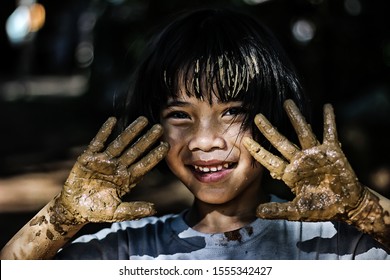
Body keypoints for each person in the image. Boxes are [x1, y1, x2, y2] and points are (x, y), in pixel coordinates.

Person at [1, 8, 389, 260]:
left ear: (271, 117)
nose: (205, 140)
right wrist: (62, 216)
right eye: (180, 115)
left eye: (232, 112)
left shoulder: (336, 247)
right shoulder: (129, 250)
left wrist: (362, 208)